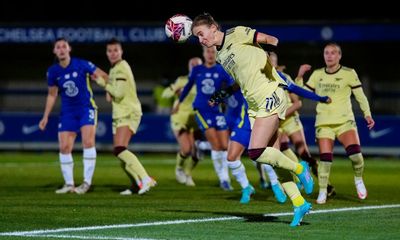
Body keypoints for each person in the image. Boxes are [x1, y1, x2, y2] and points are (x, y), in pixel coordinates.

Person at [191, 13, 317, 227]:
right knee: (272, 157)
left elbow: (272, 40)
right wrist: (225, 92)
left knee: (255, 151)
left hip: (270, 94)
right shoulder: (221, 56)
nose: (201, 40)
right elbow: (243, 79)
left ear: (213, 27)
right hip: (254, 104)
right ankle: (299, 203)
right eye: (197, 38)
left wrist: (266, 54)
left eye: (201, 34)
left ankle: (299, 168)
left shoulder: (236, 33)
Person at [296, 42, 375, 204]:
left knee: (356, 157)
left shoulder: (349, 73)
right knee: (325, 159)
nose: (330, 56)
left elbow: (360, 96)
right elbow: (302, 94)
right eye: (326, 53)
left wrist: (367, 114)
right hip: (324, 123)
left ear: (339, 56)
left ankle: (358, 179)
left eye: (333, 53)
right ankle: (323, 191)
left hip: (345, 122)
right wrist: (299, 77)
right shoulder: (317, 74)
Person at [39, 38, 107, 194]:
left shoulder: (82, 64)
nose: (61, 49)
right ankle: (69, 184)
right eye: (58, 47)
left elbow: (103, 75)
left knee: (88, 142)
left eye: (64, 46)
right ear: (54, 51)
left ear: (69, 48)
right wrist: (45, 116)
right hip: (68, 112)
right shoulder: (53, 71)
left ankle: (86, 183)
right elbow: (51, 95)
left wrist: (109, 89)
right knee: (64, 147)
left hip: (86, 108)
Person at [93, 38, 156, 195]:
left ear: (121, 52)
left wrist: (102, 83)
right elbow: (111, 96)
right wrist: (108, 85)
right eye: (110, 51)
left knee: (119, 150)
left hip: (128, 111)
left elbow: (119, 93)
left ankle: (145, 179)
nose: (113, 53)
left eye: (116, 50)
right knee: (121, 152)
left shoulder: (121, 67)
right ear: (107, 53)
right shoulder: (114, 69)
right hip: (121, 113)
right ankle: (136, 185)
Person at [270, 52, 336, 197]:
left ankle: (326, 184)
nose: (270, 63)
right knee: (275, 152)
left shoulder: (283, 78)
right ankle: (293, 178)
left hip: (289, 119)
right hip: (275, 121)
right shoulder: (262, 79)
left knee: (304, 155)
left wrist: (281, 115)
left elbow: (298, 102)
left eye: (273, 60)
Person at [173, 46, 233, 191]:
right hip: (201, 109)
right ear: (204, 53)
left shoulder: (221, 70)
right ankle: (224, 179)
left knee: (225, 146)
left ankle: (201, 146)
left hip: (217, 110)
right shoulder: (197, 70)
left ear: (216, 54)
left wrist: (222, 97)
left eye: (213, 52)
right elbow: (187, 87)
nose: (210, 54)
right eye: (208, 52)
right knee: (216, 145)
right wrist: (179, 102)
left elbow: (232, 86)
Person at [162, 57, 203, 186]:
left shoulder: (205, 81)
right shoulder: (182, 80)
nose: (195, 65)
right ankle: (179, 168)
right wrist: (175, 90)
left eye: (198, 64)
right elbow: (165, 94)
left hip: (195, 120)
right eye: (192, 64)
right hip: (179, 118)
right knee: (186, 149)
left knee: (196, 155)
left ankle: (188, 173)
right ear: (189, 66)